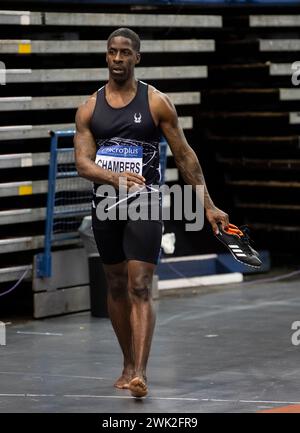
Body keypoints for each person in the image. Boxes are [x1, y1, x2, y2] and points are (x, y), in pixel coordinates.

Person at [74, 27, 229, 398]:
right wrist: (114, 178)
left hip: (145, 203)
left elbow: (186, 156)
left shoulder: (157, 103)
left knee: (140, 285)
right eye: (112, 52)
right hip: (106, 205)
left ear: (136, 58)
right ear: (106, 56)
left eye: (125, 53)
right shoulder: (89, 108)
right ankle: (127, 362)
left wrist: (207, 205)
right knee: (114, 285)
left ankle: (141, 372)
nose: (117, 59)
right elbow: (82, 163)